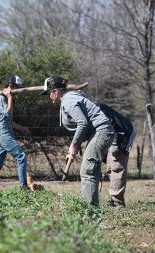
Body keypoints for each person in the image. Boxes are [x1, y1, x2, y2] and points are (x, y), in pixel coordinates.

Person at [40, 76, 115, 206]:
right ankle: (92, 205)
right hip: (98, 132)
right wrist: (74, 145)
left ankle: (90, 209)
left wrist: (74, 145)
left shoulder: (68, 101)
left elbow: (82, 123)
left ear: (55, 91)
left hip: (101, 130)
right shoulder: (69, 98)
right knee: (90, 169)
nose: (48, 96)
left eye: (48, 93)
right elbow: (84, 125)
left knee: (87, 170)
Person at [0, 75, 31, 191]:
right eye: (16, 87)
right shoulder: (0, 99)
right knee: (21, 157)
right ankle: (23, 188)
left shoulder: (5, 99)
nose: (17, 90)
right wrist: (10, 97)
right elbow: (7, 114)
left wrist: (21, 128)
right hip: (2, 135)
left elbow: (8, 120)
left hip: (4, 134)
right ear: (11, 86)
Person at [98, 103, 136, 208]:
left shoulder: (97, 110)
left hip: (123, 132)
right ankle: (115, 199)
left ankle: (118, 202)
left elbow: (111, 124)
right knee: (110, 167)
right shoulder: (86, 111)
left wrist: (114, 144)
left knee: (117, 167)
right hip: (111, 135)